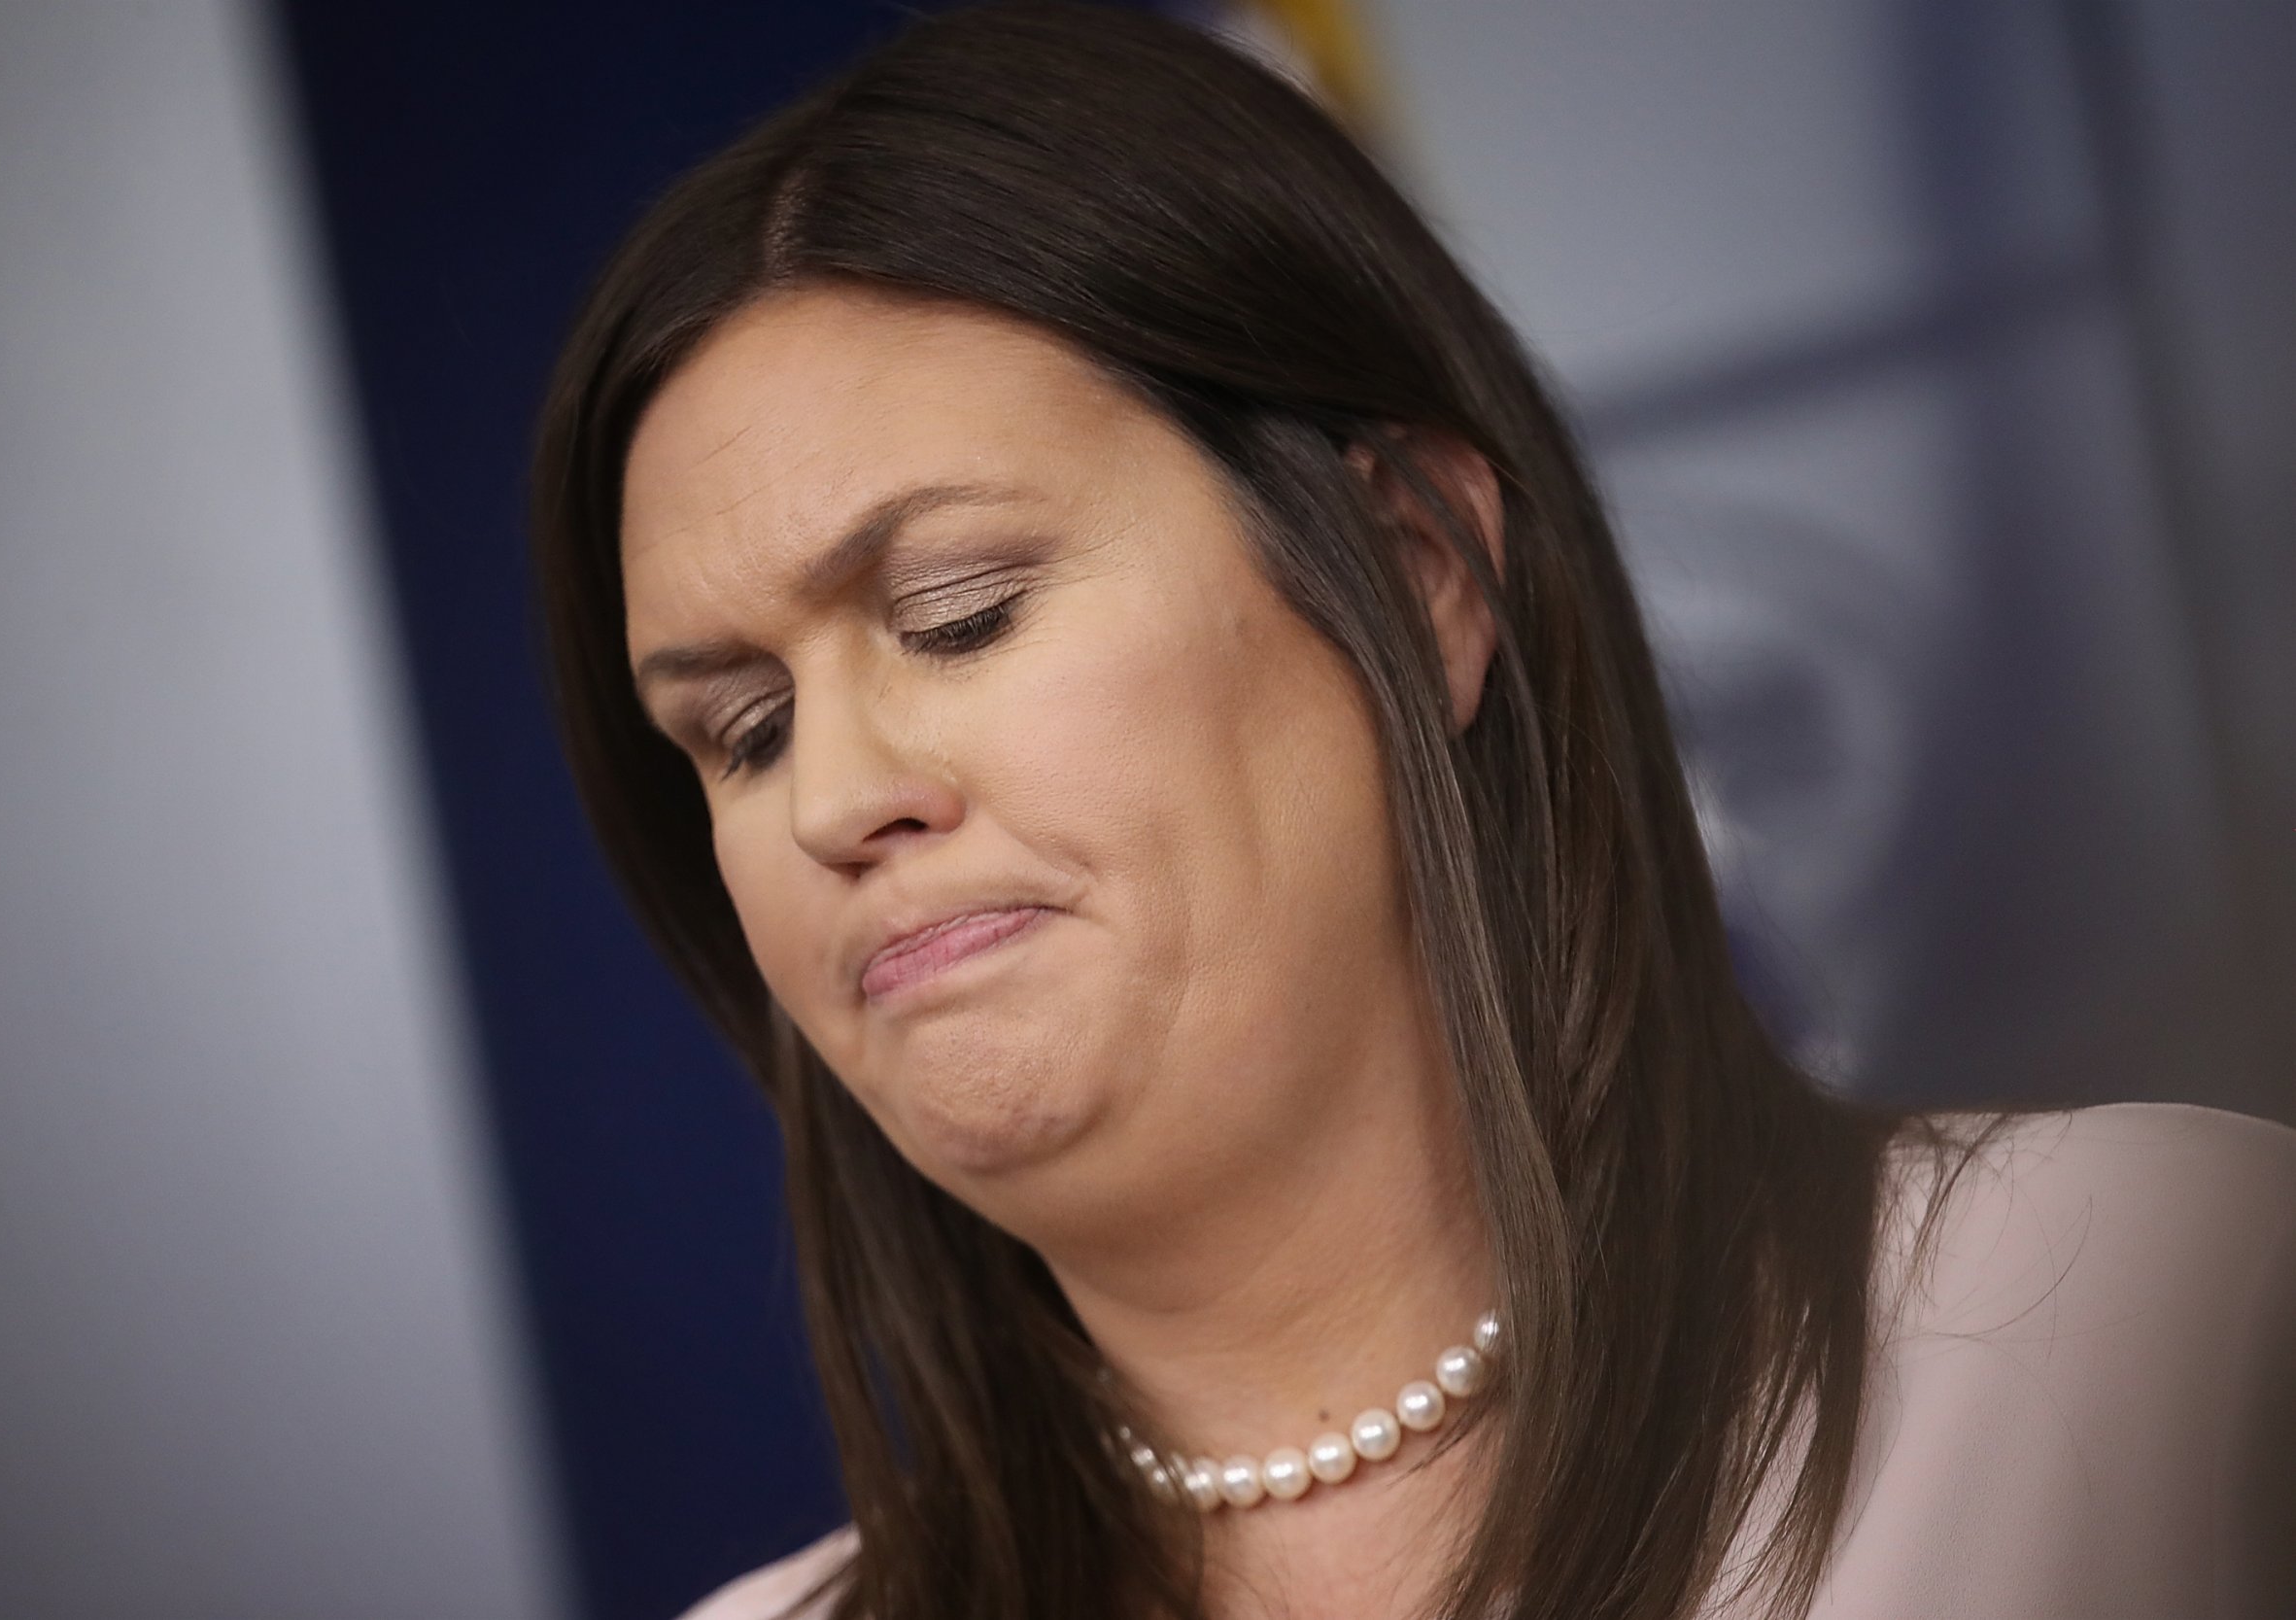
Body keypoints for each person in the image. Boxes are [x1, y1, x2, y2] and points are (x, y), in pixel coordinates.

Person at [528, 6, 2296, 1617]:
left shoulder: (2160, 1314)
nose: (834, 796)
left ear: (1414, 561)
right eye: (742, 732)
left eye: (958, 614)